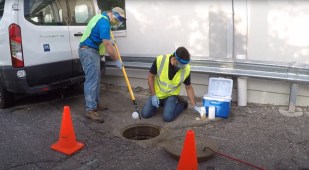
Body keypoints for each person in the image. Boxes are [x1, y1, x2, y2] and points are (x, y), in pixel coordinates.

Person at [78, 7, 126, 123]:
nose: (118, 22)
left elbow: (101, 37)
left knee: (96, 79)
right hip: (88, 51)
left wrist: (109, 40)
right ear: (113, 14)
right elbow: (108, 46)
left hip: (91, 50)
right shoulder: (104, 21)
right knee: (91, 80)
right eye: (119, 18)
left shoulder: (101, 18)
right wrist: (116, 60)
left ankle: (95, 104)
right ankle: (90, 110)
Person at [141, 47, 201, 122]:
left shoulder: (186, 69)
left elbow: (188, 87)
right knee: (145, 114)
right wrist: (153, 95)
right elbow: (151, 76)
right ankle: (163, 104)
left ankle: (181, 104)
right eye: (182, 64)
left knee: (167, 117)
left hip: (171, 95)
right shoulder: (160, 60)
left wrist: (194, 105)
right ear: (174, 59)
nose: (184, 66)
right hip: (158, 94)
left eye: (185, 64)